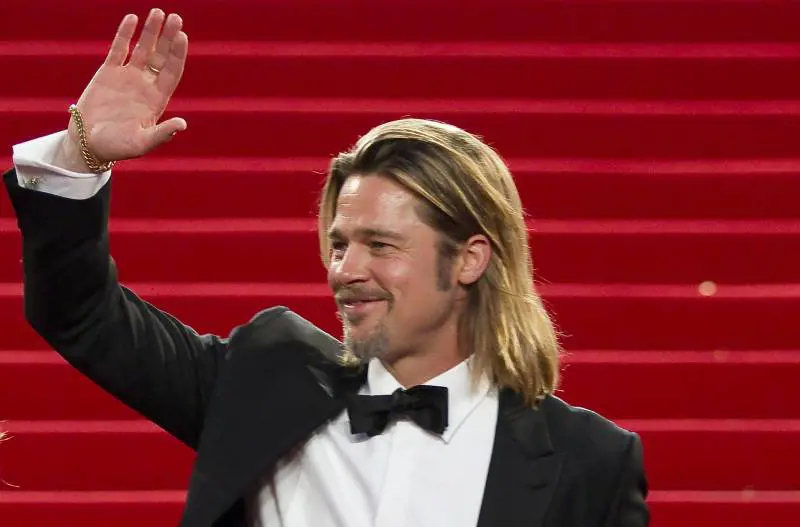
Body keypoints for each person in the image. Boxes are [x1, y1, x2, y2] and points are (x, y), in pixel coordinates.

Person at [3, 8, 649, 527]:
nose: (346, 270)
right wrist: (82, 155)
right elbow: (80, 312)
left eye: (381, 245)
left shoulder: (589, 462)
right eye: (339, 244)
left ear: (469, 259)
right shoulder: (264, 380)